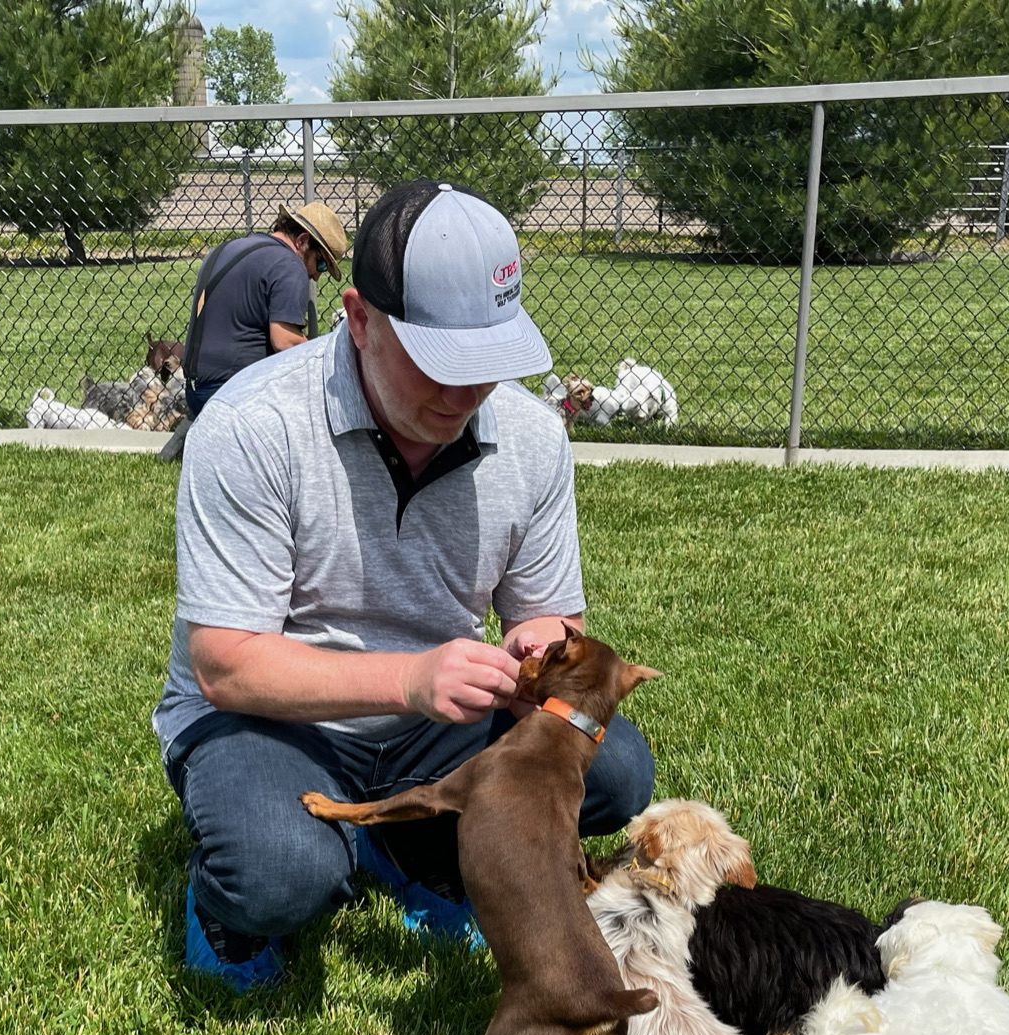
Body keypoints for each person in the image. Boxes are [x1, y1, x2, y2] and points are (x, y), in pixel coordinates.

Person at [153, 178, 657, 991]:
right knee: (281, 871)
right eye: (437, 362)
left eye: (487, 364)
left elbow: (547, 611)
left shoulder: (529, 439)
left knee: (612, 769)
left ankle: (412, 846)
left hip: (433, 723)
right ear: (357, 318)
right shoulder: (253, 424)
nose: (463, 396)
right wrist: (410, 678)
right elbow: (226, 664)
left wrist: (545, 647)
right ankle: (229, 900)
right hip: (267, 721)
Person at [180, 200, 351, 421]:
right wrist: (328, 358)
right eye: (320, 264)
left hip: (195, 393)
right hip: (235, 395)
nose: (316, 276)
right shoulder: (289, 265)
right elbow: (285, 342)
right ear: (302, 241)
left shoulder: (228, 248)